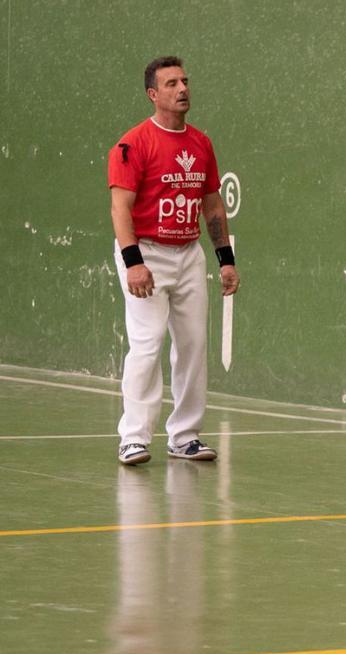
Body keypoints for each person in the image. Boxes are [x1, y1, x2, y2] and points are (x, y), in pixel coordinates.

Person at [108, 56, 240, 467]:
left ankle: (184, 436)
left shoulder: (201, 143)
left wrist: (226, 259)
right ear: (153, 94)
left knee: (193, 345)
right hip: (145, 252)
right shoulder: (133, 145)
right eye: (171, 84)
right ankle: (133, 437)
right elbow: (120, 208)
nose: (182, 89)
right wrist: (133, 263)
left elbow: (212, 204)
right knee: (146, 346)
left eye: (184, 81)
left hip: (187, 254)